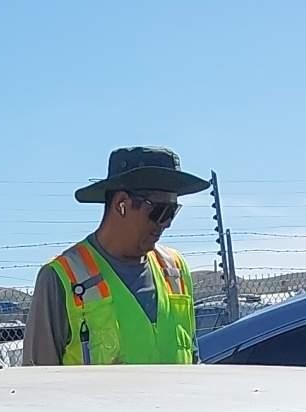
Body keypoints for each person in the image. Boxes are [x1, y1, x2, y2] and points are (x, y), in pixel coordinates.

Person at [23, 145, 210, 366]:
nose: (166, 223)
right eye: (159, 211)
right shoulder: (62, 278)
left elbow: (193, 358)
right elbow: (38, 382)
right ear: (122, 204)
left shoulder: (175, 270)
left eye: (172, 211)